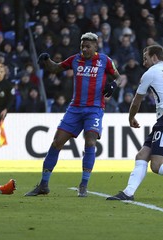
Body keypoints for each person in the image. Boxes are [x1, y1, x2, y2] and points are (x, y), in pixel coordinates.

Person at [24, 32, 121, 197]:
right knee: (56, 143)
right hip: (74, 109)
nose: (84, 49)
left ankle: (83, 185)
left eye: (87, 46)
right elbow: (56, 68)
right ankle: (43, 184)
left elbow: (119, 77)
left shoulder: (105, 60)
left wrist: (113, 85)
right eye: (82, 46)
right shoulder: (75, 59)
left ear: (95, 47)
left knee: (90, 142)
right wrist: (47, 61)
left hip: (94, 109)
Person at [107, 45, 163, 201]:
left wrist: (131, 117)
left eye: (145, 58)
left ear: (154, 57)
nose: (144, 62)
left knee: (157, 166)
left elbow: (136, 101)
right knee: (142, 156)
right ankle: (128, 193)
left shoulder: (150, 73)